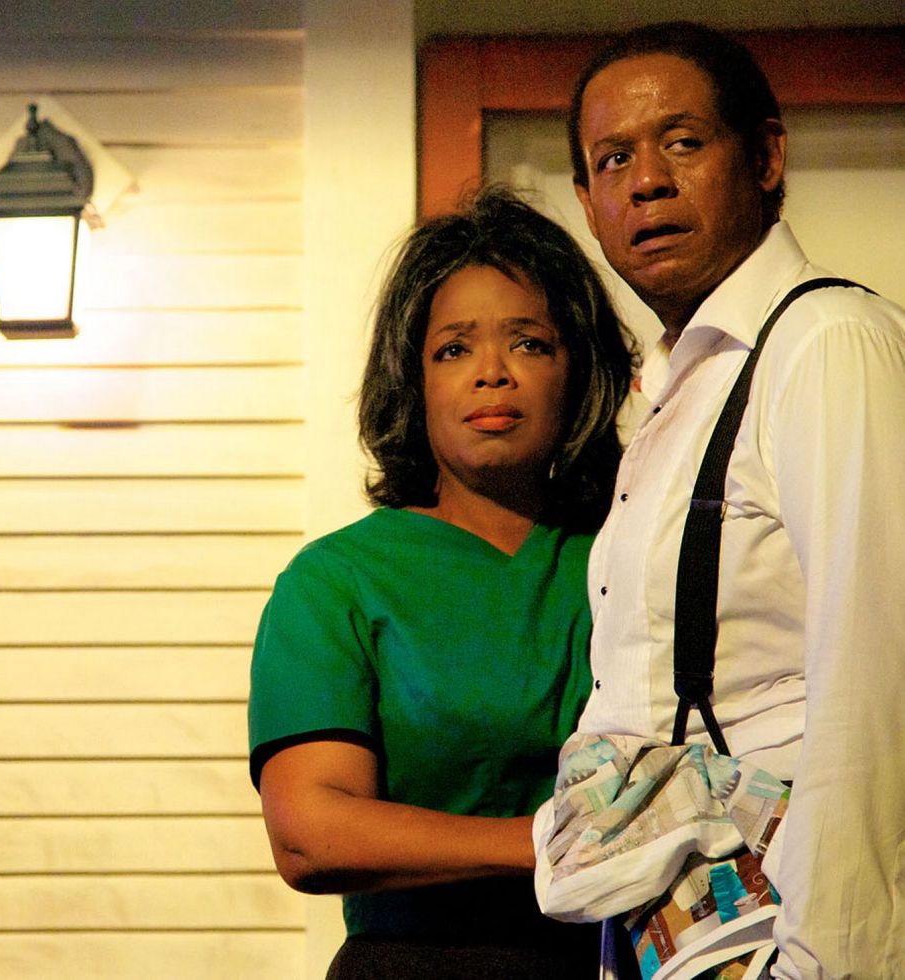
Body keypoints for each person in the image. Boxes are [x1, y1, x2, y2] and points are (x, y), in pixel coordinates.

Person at [559, 21, 905, 978]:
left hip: (800, 937)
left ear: (766, 157)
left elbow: (877, 681)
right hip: (692, 933)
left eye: (683, 142)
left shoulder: (827, 342)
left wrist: (832, 964)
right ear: (587, 201)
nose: (647, 181)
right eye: (612, 159)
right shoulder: (683, 383)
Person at [248, 186, 634, 978]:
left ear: (579, 371)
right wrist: (551, 844)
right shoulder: (338, 582)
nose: (492, 374)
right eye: (454, 350)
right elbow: (308, 834)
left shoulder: (635, 552)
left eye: (529, 343)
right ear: (411, 379)